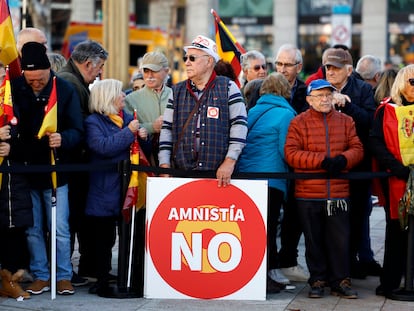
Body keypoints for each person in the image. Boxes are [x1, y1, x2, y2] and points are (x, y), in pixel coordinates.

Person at [11, 42, 83, 295]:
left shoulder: (63, 89)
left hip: (56, 171)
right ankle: (41, 274)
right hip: (25, 171)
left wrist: (64, 138)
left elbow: (78, 130)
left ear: (48, 71)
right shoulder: (15, 88)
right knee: (32, 229)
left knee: (60, 228)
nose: (35, 83)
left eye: (40, 78)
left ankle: (63, 275)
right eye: (30, 79)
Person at [284, 79, 363, 299]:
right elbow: (291, 153)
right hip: (308, 193)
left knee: (340, 240)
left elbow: (357, 148)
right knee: (313, 240)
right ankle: (317, 280)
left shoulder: (346, 121)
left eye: (328, 95)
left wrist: (343, 160)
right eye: (319, 95)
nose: (325, 99)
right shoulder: (298, 122)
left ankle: (341, 281)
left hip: (338, 193)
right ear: (309, 100)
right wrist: (323, 161)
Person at [83, 79, 148, 296]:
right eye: (119, 92)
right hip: (104, 188)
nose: (123, 95)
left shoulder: (127, 118)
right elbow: (102, 147)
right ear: (108, 96)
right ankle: (101, 279)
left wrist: (144, 137)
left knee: (128, 235)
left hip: (127, 187)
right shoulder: (93, 122)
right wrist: (129, 132)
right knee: (103, 239)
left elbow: (139, 147)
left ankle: (127, 276)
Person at [158, 34, 248, 188]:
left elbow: (239, 125)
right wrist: (164, 164)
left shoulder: (228, 87)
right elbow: (167, 129)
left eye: (192, 58)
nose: (186, 62)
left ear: (209, 61)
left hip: (220, 176)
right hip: (182, 174)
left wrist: (229, 161)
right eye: (185, 58)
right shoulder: (177, 90)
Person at [323, 47, 380, 279]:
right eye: (327, 67)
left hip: (357, 166)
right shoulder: (319, 89)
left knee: (356, 217)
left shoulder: (363, 89)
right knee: (330, 219)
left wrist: (347, 104)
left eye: (335, 68)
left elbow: (369, 121)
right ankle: (331, 269)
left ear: (349, 70)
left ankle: (351, 264)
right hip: (327, 166)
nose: (330, 71)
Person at [237, 73, 296, 293]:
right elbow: (285, 150)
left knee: (255, 228)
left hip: (248, 177)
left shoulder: (251, 111)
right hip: (272, 179)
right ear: (284, 91)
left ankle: (251, 271)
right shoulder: (285, 114)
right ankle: (267, 274)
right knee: (270, 228)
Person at [58, 40, 108, 285]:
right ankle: (64, 271)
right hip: (73, 163)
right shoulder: (71, 82)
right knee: (70, 220)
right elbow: (79, 125)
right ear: (89, 64)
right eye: (99, 68)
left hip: (73, 162)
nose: (100, 74)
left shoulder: (71, 79)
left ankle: (67, 270)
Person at [369, 64, 414, 298]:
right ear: (401, 83)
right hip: (396, 179)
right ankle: (391, 282)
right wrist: (395, 167)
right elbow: (375, 142)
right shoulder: (385, 110)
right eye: (412, 82)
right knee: (396, 233)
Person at [273, 44, 310, 284]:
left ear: (299, 67)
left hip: (298, 162)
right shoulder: (268, 88)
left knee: (295, 215)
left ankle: (288, 260)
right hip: (273, 160)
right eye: (279, 64)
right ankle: (271, 263)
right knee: (271, 215)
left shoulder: (307, 92)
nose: (282, 69)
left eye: (287, 64)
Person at [0, 124, 33, 300]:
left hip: (14, 182)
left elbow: (33, 144)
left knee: (12, 230)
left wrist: (12, 149)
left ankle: (10, 280)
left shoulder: (17, 103)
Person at [125, 51, 171, 166]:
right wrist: (152, 127)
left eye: (154, 71)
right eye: (146, 71)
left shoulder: (177, 95)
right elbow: (125, 129)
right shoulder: (130, 99)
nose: (149, 76)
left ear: (166, 71)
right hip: (143, 161)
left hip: (173, 160)